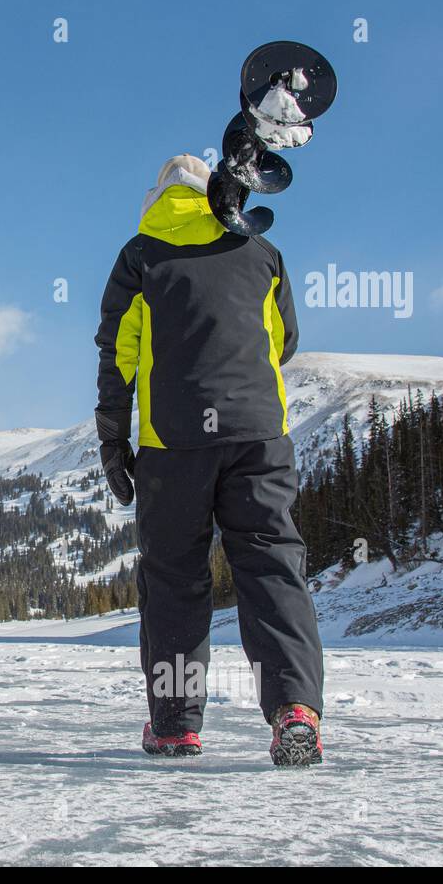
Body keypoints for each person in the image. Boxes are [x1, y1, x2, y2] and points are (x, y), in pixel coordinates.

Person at [94, 155, 325, 766]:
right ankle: (294, 708)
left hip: (173, 447)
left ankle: (174, 725)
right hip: (260, 437)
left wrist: (112, 441)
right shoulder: (263, 252)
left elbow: (117, 357)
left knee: (174, 579)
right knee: (272, 567)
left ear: (158, 196)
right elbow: (285, 340)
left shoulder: (140, 255)